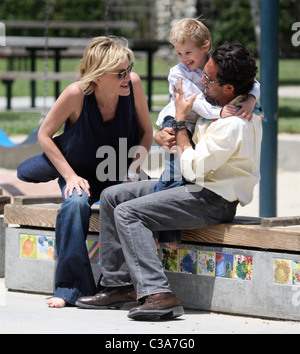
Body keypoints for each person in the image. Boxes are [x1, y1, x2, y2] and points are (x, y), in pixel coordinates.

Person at [75, 43, 263, 321]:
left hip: (212, 199)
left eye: (209, 79)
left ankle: (158, 293)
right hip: (188, 185)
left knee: (129, 213)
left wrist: (179, 124)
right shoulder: (223, 104)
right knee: (113, 197)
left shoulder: (235, 123)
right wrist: (167, 132)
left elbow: (195, 168)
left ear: (229, 89)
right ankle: (119, 285)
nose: (201, 80)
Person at [17, 36, 153, 308]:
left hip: (117, 170)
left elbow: (147, 133)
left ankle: (115, 286)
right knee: (74, 204)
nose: (128, 76)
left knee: (140, 199)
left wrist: (132, 171)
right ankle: (69, 288)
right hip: (79, 172)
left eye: (129, 69)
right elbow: (44, 134)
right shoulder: (75, 94)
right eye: (120, 73)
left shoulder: (134, 86)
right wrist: (69, 177)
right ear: (99, 77)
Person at [151, 18, 262, 247]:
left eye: (188, 52)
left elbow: (253, 83)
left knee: (180, 176)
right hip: (179, 117)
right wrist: (219, 112)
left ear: (205, 46)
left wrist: (251, 99)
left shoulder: (217, 66)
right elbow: (195, 102)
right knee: (172, 174)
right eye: (179, 53)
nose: (184, 58)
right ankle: (163, 231)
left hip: (193, 124)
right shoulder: (178, 73)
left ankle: (161, 228)